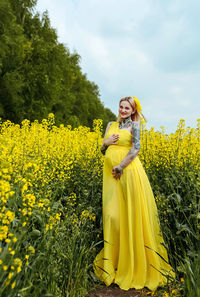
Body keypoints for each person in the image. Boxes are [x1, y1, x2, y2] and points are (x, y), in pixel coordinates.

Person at [93, 96, 175, 291]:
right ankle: (116, 262)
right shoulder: (111, 124)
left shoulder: (135, 126)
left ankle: (133, 265)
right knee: (113, 217)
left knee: (130, 215)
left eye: (126, 108)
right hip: (110, 176)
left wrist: (120, 166)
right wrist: (106, 142)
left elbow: (136, 148)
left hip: (128, 173)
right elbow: (103, 151)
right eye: (121, 107)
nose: (122, 110)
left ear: (133, 110)